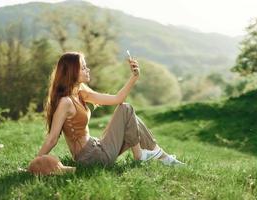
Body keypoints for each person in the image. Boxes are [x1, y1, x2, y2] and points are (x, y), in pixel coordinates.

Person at [29, 52, 184, 175]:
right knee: (126, 109)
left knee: (130, 118)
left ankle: (164, 157)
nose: (87, 69)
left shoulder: (80, 92)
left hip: (97, 148)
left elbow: (117, 98)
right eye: (83, 68)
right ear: (71, 72)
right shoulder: (65, 102)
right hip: (91, 157)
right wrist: (34, 163)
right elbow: (52, 139)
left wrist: (134, 77)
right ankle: (141, 156)